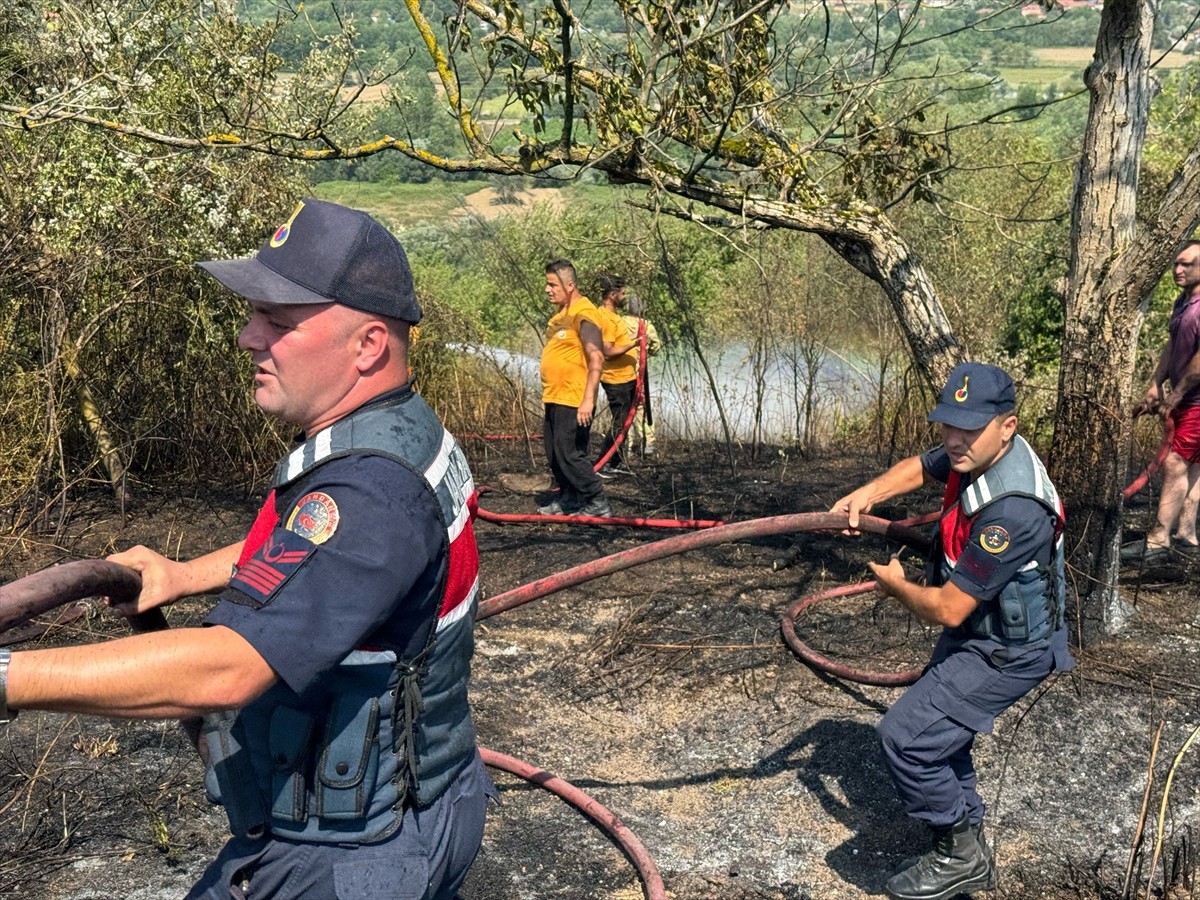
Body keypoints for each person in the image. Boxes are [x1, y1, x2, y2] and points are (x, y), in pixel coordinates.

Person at [4, 198, 494, 899]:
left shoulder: (371, 490)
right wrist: (181, 575)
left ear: (368, 346)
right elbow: (318, 556)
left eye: (279, 322)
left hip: (354, 855)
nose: (247, 338)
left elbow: (226, 672)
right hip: (425, 806)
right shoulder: (399, 430)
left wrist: (9, 677)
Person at [830, 362, 1074, 900]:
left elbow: (947, 608)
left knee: (905, 739)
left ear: (1007, 427)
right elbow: (920, 466)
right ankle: (971, 843)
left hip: (1008, 650)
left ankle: (958, 852)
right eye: (948, 425)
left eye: (969, 428)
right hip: (982, 631)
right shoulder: (976, 450)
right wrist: (868, 493)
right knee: (944, 732)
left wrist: (894, 587)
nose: (954, 440)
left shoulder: (1014, 511)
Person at [1121, 239, 1200, 563]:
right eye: (1176, 264)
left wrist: (1177, 394)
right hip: (1188, 398)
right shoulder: (1183, 302)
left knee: (1175, 462)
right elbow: (1172, 345)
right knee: (1194, 465)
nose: (1178, 270)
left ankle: (1157, 540)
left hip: (1197, 400)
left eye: (1187, 264)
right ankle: (1186, 534)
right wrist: (1156, 384)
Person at [537, 259, 612, 517]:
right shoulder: (560, 316)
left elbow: (597, 357)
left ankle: (596, 499)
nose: (547, 289)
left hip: (573, 397)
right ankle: (571, 498)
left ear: (569, 285)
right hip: (555, 396)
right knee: (555, 453)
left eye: (552, 284)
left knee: (569, 453)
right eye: (546, 284)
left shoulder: (584, 313)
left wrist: (588, 400)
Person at [594, 274, 639, 477]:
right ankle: (603, 463)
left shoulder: (614, 317)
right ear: (612, 295)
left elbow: (618, 340)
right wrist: (634, 343)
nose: (625, 297)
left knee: (626, 421)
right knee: (620, 422)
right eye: (622, 293)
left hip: (627, 377)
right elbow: (608, 351)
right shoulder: (603, 318)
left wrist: (633, 338)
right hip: (616, 380)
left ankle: (615, 462)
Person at [621, 292, 662, 456]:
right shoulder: (647, 326)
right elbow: (655, 348)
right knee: (642, 409)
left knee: (624, 410)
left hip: (622, 374)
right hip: (640, 375)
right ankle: (649, 445)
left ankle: (627, 446)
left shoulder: (620, 323)